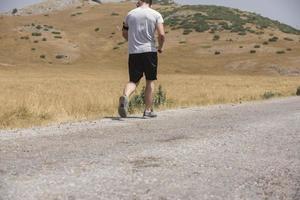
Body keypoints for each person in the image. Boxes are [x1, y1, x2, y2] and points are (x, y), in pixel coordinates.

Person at [118, 0, 165, 118]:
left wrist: (131, 41)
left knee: (133, 81)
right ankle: (147, 111)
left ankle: (125, 97)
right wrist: (160, 47)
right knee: (150, 80)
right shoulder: (156, 14)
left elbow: (124, 32)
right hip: (150, 51)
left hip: (134, 52)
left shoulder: (130, 14)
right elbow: (162, 35)